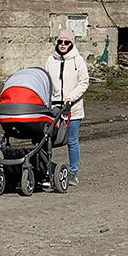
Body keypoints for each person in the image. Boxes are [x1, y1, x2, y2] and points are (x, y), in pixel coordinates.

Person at [46, 28, 89, 186]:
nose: (62, 45)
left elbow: (84, 82)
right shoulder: (51, 60)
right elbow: (46, 81)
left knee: (72, 140)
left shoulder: (78, 60)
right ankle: (45, 170)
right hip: (54, 107)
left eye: (66, 42)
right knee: (46, 138)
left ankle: (73, 172)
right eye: (60, 42)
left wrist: (72, 96)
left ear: (72, 43)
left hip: (73, 108)